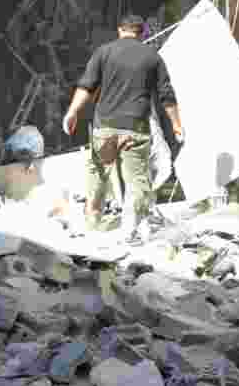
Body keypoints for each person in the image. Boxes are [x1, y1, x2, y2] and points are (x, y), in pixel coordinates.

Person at [63, 14, 184, 242]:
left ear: (120, 30)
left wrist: (72, 112)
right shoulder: (152, 57)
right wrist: (177, 124)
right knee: (136, 180)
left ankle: (92, 223)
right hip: (134, 129)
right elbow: (166, 95)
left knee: (98, 174)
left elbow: (86, 86)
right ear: (142, 33)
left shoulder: (103, 52)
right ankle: (129, 231)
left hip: (105, 127)